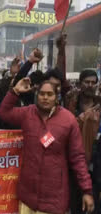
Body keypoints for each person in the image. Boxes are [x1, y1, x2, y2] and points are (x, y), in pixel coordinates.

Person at [0, 78, 94, 214]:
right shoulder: (27, 113)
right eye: (42, 94)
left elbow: (77, 158)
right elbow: (4, 113)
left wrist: (87, 190)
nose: (45, 97)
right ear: (37, 96)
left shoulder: (68, 120)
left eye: (50, 94)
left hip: (54, 198)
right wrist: (14, 91)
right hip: (28, 197)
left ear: (57, 97)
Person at [64, 69, 100, 214]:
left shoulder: (99, 106)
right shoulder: (70, 104)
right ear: (80, 84)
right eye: (87, 82)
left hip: (96, 166)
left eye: (93, 82)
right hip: (74, 165)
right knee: (76, 205)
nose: (90, 85)